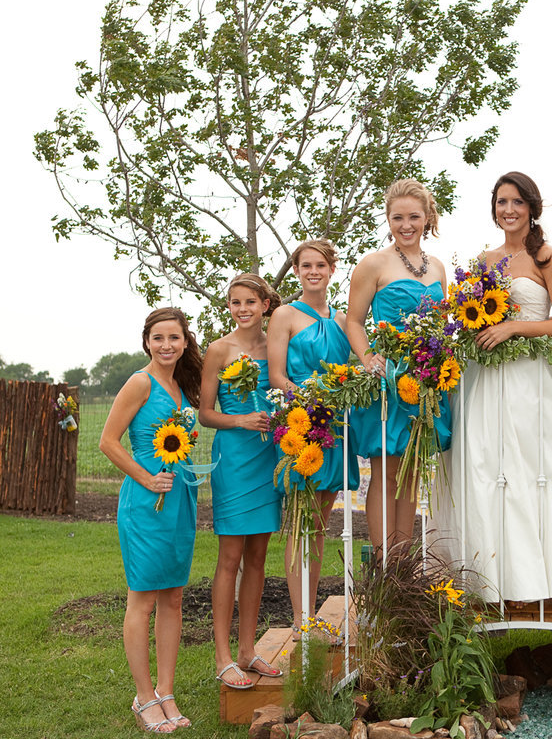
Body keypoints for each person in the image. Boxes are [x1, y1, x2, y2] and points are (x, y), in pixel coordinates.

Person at [431, 172, 552, 601]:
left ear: (532, 207)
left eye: (516, 202)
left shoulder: (548, 257)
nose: (508, 210)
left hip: (531, 375)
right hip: (485, 375)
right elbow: (468, 313)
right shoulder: (483, 259)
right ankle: (495, 578)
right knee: (486, 467)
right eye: (501, 202)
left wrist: (513, 327)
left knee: (542, 468)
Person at [99, 307, 203, 733]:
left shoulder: (180, 385)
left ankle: (165, 690)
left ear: (184, 342)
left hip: (180, 496)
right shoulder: (139, 382)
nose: (166, 345)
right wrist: (145, 478)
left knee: (174, 597)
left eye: (174, 338)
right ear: (146, 342)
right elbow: (107, 441)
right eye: (158, 338)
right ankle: (143, 698)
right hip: (146, 501)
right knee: (142, 598)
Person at [346, 179, 452, 555]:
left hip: (425, 378)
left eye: (413, 217)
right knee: (386, 470)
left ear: (427, 218)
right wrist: (367, 358)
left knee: (411, 474)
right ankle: (383, 564)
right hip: (388, 378)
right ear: (388, 220)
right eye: (397, 218)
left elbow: (443, 322)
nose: (405, 225)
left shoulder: (438, 266)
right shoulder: (374, 264)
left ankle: (403, 567)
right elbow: (354, 321)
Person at [268, 240, 361, 627]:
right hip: (302, 424)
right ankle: (299, 617)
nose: (313, 272)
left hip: (336, 426)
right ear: (296, 271)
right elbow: (276, 375)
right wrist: (308, 400)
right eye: (305, 265)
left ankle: (312, 609)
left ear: (331, 270)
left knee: (322, 522)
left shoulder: (343, 320)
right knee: (300, 522)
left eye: (320, 265)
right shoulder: (285, 315)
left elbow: (353, 365)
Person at [198, 274, 284, 690]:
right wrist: (240, 420)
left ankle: (249, 651)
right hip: (233, 458)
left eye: (250, 301)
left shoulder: (276, 346)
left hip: (268, 457)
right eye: (235, 302)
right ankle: (223, 657)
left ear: (266, 304)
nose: (242, 308)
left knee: (257, 557)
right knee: (229, 557)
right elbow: (204, 413)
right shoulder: (218, 349)